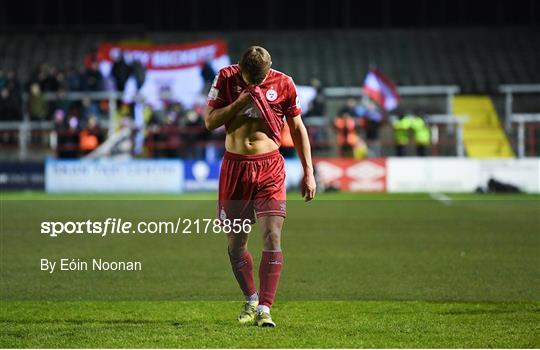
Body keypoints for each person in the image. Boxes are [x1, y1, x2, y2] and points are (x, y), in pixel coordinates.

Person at [204, 46, 316, 327]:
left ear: (268, 71)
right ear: (240, 68)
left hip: (270, 168)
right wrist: (239, 103)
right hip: (235, 169)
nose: (254, 84)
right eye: (249, 78)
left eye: (258, 79)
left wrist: (308, 172)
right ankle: (251, 297)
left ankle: (266, 307)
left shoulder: (284, 83)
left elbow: (297, 128)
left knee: (272, 236)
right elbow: (210, 121)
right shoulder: (226, 78)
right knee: (235, 245)